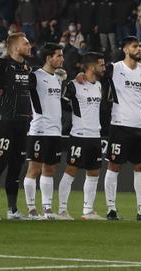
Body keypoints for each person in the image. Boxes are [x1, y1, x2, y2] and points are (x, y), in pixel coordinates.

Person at [101, 37, 141, 221]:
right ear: (126, 49)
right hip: (119, 125)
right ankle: (111, 209)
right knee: (114, 165)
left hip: (140, 126)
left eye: (140, 46)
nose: (139, 48)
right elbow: (94, 72)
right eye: (135, 46)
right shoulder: (114, 68)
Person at [0, 33, 34, 219]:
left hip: (22, 124)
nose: (30, 46)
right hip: (4, 121)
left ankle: (12, 209)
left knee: (17, 166)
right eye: (26, 43)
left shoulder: (27, 68)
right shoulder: (1, 65)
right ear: (14, 47)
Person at [58, 52, 106, 220]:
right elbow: (61, 102)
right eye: (101, 65)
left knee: (94, 173)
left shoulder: (99, 85)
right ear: (92, 67)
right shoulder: (74, 85)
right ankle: (62, 210)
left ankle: (88, 211)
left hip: (95, 135)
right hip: (79, 135)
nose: (104, 67)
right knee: (71, 171)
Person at [23, 43, 65, 220]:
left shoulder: (58, 78)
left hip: (55, 131)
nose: (62, 59)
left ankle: (47, 207)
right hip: (39, 129)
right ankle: (32, 208)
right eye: (59, 55)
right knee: (34, 169)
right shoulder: (35, 76)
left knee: (50, 169)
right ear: (49, 58)